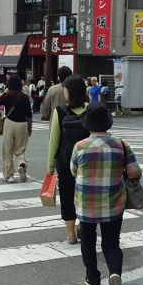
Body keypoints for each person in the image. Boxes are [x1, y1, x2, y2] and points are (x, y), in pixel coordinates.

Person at [71, 102, 142, 285]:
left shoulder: (80, 147)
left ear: (88, 125)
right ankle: (115, 274)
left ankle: (92, 278)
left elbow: (73, 171)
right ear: (108, 123)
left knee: (88, 241)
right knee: (111, 243)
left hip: (86, 206)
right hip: (113, 204)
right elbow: (136, 173)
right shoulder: (121, 145)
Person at [47, 75, 89, 244]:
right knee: (86, 197)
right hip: (87, 162)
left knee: (67, 196)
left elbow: (54, 140)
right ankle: (84, 228)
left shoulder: (60, 111)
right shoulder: (91, 109)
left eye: (65, 89)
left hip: (65, 162)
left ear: (70, 91)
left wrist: (50, 165)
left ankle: (71, 235)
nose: (63, 91)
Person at [0, 74, 33, 183]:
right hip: (22, 124)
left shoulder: (7, 96)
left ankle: (10, 175)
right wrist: (29, 129)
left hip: (9, 123)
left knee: (7, 150)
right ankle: (22, 165)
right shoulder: (24, 97)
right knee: (20, 149)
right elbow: (29, 115)